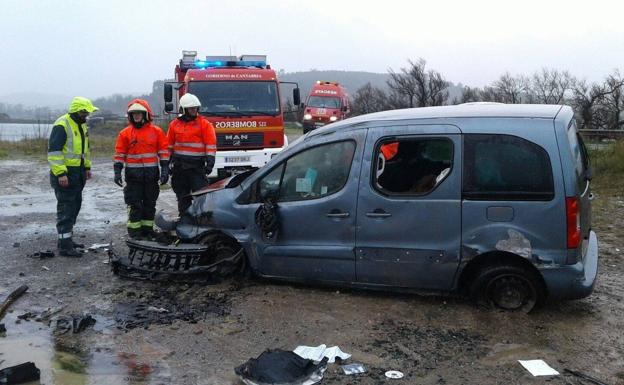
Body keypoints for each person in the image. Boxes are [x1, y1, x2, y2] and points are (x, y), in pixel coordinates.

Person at [47, 96, 98, 257]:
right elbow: (54, 152)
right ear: (77, 111)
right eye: (85, 112)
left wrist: (87, 167)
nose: (87, 115)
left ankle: (67, 239)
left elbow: (84, 150)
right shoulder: (62, 124)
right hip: (66, 173)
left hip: (78, 172)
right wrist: (61, 173)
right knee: (66, 208)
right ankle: (64, 246)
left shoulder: (81, 125)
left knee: (75, 205)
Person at [113, 99, 169, 239]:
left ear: (145, 114)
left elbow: (163, 152)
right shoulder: (125, 133)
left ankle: (147, 230)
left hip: (151, 176)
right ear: (130, 116)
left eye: (139, 113)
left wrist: (165, 170)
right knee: (135, 204)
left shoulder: (156, 132)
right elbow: (120, 154)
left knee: (150, 204)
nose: (136, 116)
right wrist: (117, 171)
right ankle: (135, 232)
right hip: (133, 177)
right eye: (134, 114)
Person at [167, 93, 217, 215]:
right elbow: (168, 145)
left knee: (201, 196)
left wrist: (210, 162)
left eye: (195, 108)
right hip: (179, 168)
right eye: (191, 108)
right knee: (182, 197)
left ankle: (202, 220)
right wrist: (166, 163)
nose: (194, 110)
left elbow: (210, 144)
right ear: (184, 109)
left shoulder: (204, 124)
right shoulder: (174, 124)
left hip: (197, 168)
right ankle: (184, 219)